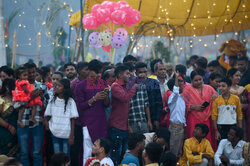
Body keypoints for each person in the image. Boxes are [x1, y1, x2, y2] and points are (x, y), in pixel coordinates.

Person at [74, 60, 109, 165]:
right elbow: (80, 106)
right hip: (88, 122)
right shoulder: (81, 85)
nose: (98, 75)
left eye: (100, 72)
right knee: (88, 151)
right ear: (89, 71)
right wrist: (94, 98)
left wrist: (106, 96)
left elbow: (107, 104)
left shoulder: (103, 83)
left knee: (102, 150)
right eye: (96, 72)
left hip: (101, 121)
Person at [17, 62, 47, 166]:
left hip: (37, 122)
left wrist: (42, 98)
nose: (31, 75)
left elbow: (46, 106)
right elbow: (16, 105)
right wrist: (31, 97)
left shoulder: (42, 86)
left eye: (33, 72)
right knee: (24, 153)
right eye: (28, 73)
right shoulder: (19, 87)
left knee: (37, 153)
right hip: (23, 122)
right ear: (24, 74)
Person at [108, 64, 138, 165]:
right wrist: (134, 87)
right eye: (127, 73)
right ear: (120, 75)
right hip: (116, 127)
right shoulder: (115, 86)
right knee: (115, 155)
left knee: (122, 155)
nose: (130, 75)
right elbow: (125, 98)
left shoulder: (126, 86)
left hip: (124, 127)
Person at [182, 68, 218, 150]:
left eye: (200, 79)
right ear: (191, 80)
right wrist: (192, 107)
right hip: (193, 118)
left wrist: (216, 97)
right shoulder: (187, 91)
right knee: (194, 138)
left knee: (207, 138)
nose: (198, 82)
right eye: (196, 80)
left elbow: (217, 99)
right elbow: (182, 106)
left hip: (207, 118)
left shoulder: (209, 88)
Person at [44, 79, 79, 154]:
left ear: (65, 88)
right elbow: (47, 115)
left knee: (65, 156)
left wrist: (72, 136)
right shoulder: (52, 100)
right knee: (57, 155)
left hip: (66, 134)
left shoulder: (70, 101)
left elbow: (73, 120)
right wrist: (46, 123)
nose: (56, 87)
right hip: (54, 132)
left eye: (59, 86)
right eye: (56, 85)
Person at [135, 62, 162, 131]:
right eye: (140, 72)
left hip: (153, 117)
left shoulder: (154, 82)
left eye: (144, 72)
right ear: (136, 73)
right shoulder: (133, 85)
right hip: (139, 118)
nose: (143, 74)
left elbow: (159, 102)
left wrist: (157, 119)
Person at [128, 66, 153, 134]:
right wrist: (128, 126)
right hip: (131, 122)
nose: (131, 74)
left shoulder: (142, 86)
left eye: (132, 72)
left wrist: (149, 121)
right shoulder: (124, 88)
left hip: (143, 121)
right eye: (129, 72)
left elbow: (146, 104)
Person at [168, 72, 186, 159]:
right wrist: (176, 78)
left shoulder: (181, 98)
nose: (182, 86)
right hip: (175, 129)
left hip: (181, 128)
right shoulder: (172, 97)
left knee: (179, 152)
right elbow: (175, 92)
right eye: (180, 84)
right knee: (174, 152)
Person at [227, 68, 248, 139]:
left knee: (241, 134)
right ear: (230, 76)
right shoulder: (225, 89)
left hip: (241, 117)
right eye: (236, 75)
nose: (239, 78)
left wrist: (244, 106)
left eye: (239, 76)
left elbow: (246, 103)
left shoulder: (242, 89)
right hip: (229, 117)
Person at [0, 79, 18, 157]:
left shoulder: (17, 98)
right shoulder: (1, 100)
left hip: (17, 131)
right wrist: (9, 127)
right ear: (7, 87)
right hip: (5, 131)